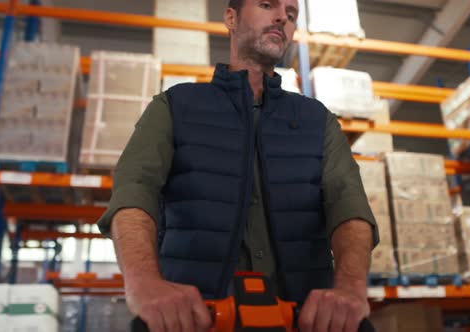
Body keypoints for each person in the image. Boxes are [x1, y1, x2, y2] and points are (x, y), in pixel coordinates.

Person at [97, 0, 379, 331]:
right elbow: (134, 191)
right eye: (266, 4)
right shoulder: (175, 106)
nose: (281, 17)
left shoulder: (318, 120)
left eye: (291, 14)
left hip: (306, 320)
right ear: (230, 17)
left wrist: (350, 288)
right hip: (192, 319)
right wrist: (144, 283)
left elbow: (349, 206)